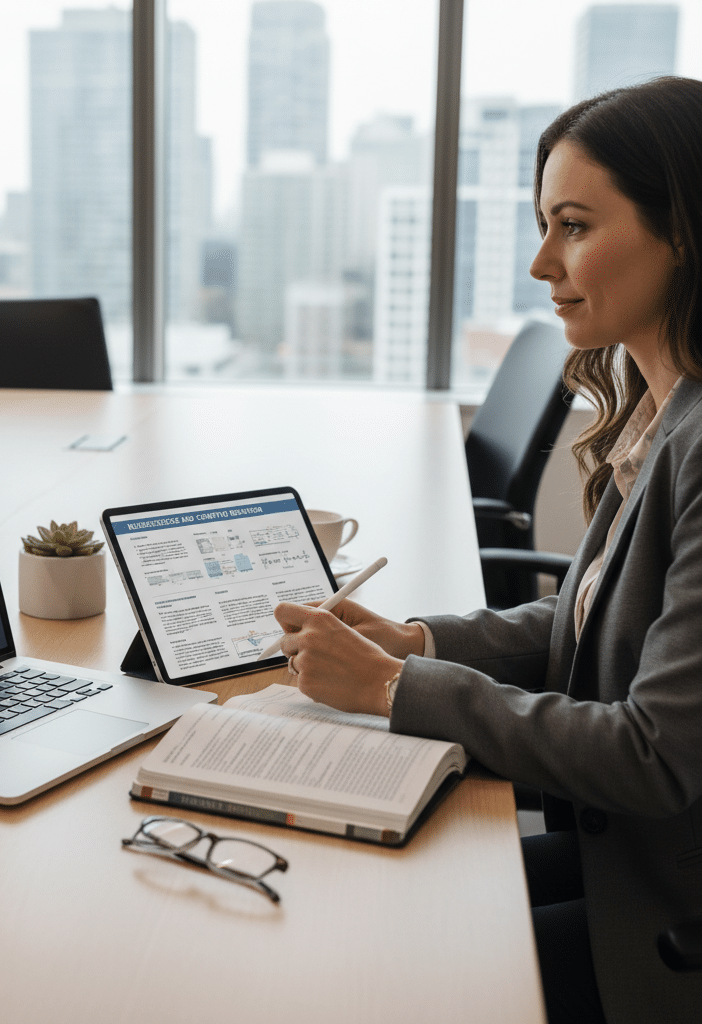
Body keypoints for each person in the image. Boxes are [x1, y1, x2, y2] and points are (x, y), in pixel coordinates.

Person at [272, 78, 702, 1024]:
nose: (543, 262)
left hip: (663, 916)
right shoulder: (658, 407)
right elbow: (595, 614)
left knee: (381, 976)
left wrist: (390, 690)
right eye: (545, 224)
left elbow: (655, 756)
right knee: (363, 896)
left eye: (576, 226)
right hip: (620, 852)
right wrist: (417, 642)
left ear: (682, 231)